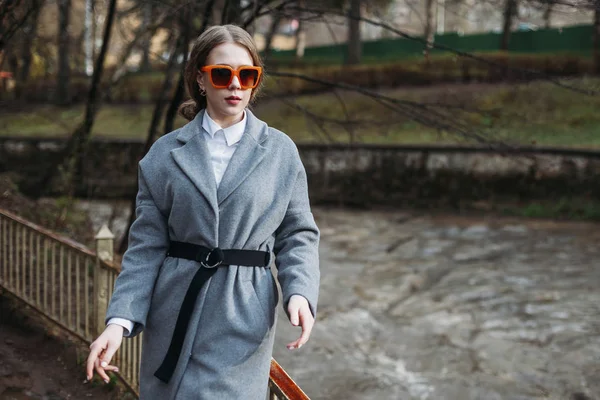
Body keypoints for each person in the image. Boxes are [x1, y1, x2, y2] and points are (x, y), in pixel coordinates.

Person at [85, 24, 320, 399]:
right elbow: (145, 248)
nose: (235, 85)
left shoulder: (280, 152)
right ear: (200, 78)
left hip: (242, 313)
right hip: (174, 308)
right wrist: (118, 323)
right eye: (222, 74)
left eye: (247, 75)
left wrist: (300, 293)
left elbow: (298, 234)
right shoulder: (163, 156)